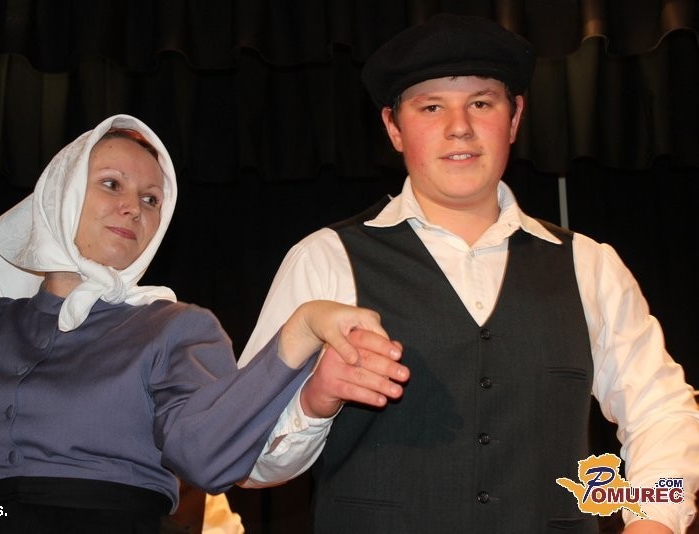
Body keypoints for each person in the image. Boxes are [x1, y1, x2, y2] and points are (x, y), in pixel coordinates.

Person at [237, 13, 699, 534]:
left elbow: (663, 411)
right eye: (431, 107)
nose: (459, 126)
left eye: (481, 103)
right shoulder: (324, 259)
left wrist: (654, 520)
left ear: (514, 117)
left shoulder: (590, 265)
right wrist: (314, 402)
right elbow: (246, 462)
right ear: (393, 127)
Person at [0, 114, 402, 533]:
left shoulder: (175, 327)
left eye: (150, 199)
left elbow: (206, 458)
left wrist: (300, 330)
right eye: (111, 184)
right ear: (58, 195)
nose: (132, 209)